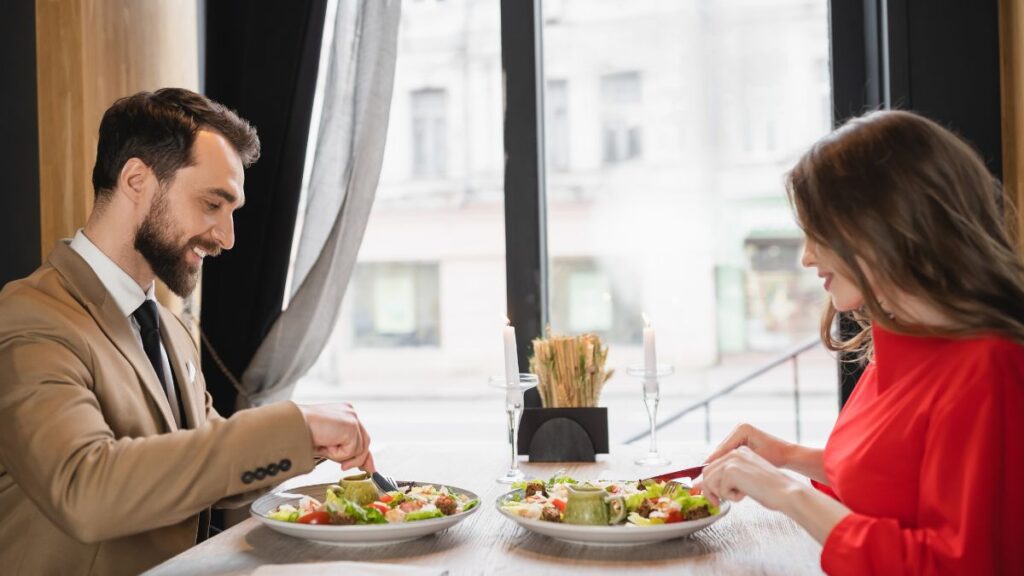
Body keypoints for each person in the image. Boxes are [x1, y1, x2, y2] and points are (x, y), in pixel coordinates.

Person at [0, 88, 375, 575]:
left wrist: (311, 447)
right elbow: (82, 488)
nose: (227, 236)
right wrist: (294, 425)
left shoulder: (170, 328)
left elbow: (203, 459)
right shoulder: (30, 317)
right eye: (211, 204)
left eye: (231, 211)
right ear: (137, 180)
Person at [697, 110, 1024, 575]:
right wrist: (790, 458)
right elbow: (892, 484)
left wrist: (788, 493)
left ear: (883, 226)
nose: (807, 256)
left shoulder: (989, 367)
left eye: (819, 233)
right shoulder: (900, 341)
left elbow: (959, 564)